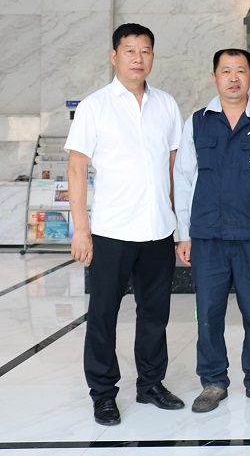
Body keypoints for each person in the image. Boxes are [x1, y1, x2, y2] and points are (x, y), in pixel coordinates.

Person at [65, 23, 185, 426]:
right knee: (103, 315)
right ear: (114, 56)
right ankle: (103, 393)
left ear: (153, 57)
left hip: (158, 229)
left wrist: (180, 226)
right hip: (111, 232)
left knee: (155, 314)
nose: (138, 58)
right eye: (130, 50)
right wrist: (81, 229)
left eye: (145, 50)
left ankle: (151, 384)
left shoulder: (166, 105)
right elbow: (77, 168)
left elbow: (174, 168)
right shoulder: (95, 106)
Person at [173, 48, 250, 413]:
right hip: (207, 237)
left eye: (240, 70)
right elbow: (183, 180)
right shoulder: (197, 123)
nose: (233, 78)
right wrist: (183, 234)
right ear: (214, 77)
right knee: (208, 314)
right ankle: (212, 382)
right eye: (226, 71)